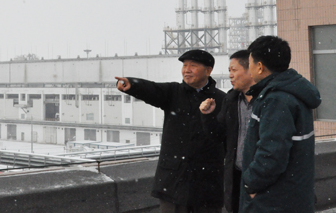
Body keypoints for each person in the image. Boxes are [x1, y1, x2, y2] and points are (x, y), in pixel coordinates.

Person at [115, 49, 226, 213]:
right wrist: (133, 85)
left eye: (193, 66)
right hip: (173, 182)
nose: (186, 70)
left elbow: (226, 136)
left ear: (208, 70)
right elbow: (152, 89)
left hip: (207, 185)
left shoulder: (222, 99)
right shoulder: (174, 92)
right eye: (184, 65)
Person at [239, 36, 321, 213]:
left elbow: (272, 153)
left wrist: (251, 184)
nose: (250, 69)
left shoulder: (276, 99)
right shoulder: (290, 92)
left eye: (250, 63)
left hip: (274, 201)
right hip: (290, 197)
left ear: (260, 67)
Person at [199, 50, 255, 213]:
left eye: (234, 70)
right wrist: (207, 116)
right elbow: (217, 135)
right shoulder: (231, 100)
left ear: (251, 70)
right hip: (237, 177)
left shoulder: (268, 101)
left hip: (262, 177)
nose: (230, 75)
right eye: (229, 70)